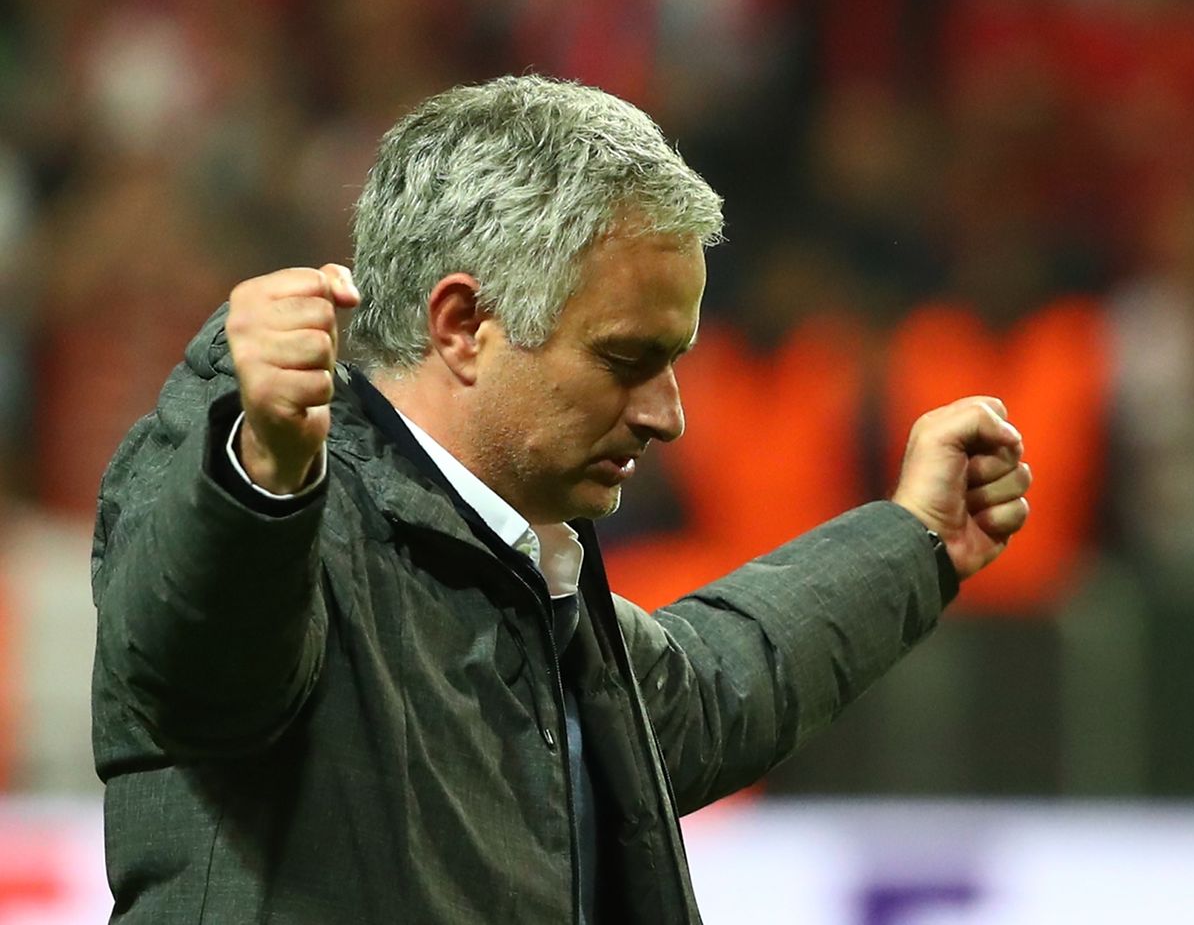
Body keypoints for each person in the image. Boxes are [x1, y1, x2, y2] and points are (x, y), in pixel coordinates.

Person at [91, 75, 1031, 924]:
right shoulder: (256, 496)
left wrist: (914, 534)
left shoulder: (523, 585)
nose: (669, 416)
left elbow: (714, 687)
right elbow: (203, 673)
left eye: (674, 360)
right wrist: (264, 474)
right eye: (626, 358)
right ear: (462, 324)